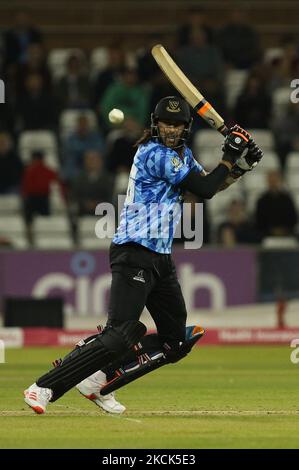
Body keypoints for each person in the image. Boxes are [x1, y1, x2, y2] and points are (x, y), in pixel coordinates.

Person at [24, 96, 263, 415]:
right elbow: (204, 189)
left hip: (160, 259)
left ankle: (98, 381)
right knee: (121, 333)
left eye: (177, 125)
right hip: (134, 249)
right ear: (155, 124)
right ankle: (43, 387)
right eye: (166, 123)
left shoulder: (185, 156)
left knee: (175, 343)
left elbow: (211, 186)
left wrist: (241, 166)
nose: (171, 130)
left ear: (186, 128)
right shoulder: (152, 153)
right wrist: (232, 154)